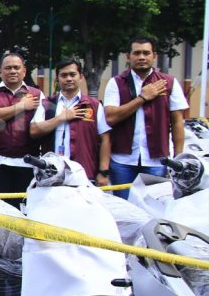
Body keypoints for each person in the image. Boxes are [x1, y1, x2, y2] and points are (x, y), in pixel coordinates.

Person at [103, 36, 188, 197]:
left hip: (156, 161)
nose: (141, 57)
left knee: (154, 209)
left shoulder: (168, 83)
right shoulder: (116, 83)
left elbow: (177, 122)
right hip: (122, 161)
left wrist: (178, 158)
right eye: (137, 53)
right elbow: (110, 118)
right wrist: (142, 98)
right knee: (125, 211)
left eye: (146, 53)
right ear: (128, 57)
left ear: (154, 56)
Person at [30, 58, 111, 184]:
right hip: (52, 175)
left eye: (72, 74)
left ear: (80, 77)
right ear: (57, 78)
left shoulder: (93, 105)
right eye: (63, 75)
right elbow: (34, 131)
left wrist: (103, 172)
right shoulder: (47, 104)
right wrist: (61, 118)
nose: (68, 78)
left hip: (83, 174)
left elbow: (105, 139)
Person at [0, 51, 45, 206]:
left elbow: (37, 128)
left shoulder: (36, 94)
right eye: (8, 68)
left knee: (26, 210)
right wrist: (21, 106)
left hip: (28, 163)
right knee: (2, 210)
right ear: (0, 72)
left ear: (24, 71)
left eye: (17, 67)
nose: (13, 71)